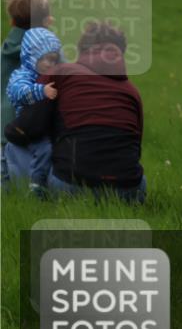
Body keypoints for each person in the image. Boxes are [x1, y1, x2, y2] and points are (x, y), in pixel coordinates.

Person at [42, 22, 146, 203]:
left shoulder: (62, 73)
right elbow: (136, 146)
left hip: (71, 185)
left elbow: (33, 121)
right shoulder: (132, 92)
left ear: (83, 49)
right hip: (127, 191)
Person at [2, 0, 49, 191]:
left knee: (5, 184)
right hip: (32, 127)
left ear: (12, 21)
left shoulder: (3, 52)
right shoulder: (48, 55)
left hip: (3, 127)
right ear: (45, 22)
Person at [5, 27, 61, 197]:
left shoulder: (46, 75)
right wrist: (40, 91)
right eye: (44, 59)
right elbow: (17, 91)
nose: (49, 64)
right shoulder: (22, 74)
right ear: (31, 56)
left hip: (44, 122)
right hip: (29, 126)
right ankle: (37, 183)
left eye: (53, 60)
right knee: (45, 149)